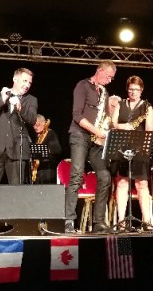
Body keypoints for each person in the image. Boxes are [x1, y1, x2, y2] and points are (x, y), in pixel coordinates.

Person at [0, 68, 38, 233]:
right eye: (24, 81)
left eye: (29, 82)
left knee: (16, 189)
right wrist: (3, 99)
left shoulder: (31, 100)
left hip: (18, 148)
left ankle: (16, 225)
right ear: (15, 79)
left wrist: (20, 107)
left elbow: (32, 119)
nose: (27, 85)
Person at [64, 60, 116, 234]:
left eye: (112, 78)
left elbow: (106, 118)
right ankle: (68, 221)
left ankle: (98, 222)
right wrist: (97, 131)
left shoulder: (104, 93)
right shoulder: (83, 86)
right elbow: (77, 115)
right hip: (80, 135)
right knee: (77, 175)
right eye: (108, 76)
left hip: (96, 140)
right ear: (100, 71)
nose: (110, 80)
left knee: (105, 177)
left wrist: (108, 130)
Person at [110, 75, 153, 231]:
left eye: (136, 90)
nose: (133, 92)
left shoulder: (147, 106)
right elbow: (113, 123)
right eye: (130, 89)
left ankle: (146, 222)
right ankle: (121, 221)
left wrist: (143, 146)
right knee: (122, 183)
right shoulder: (120, 104)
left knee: (142, 184)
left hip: (139, 148)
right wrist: (124, 126)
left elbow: (149, 129)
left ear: (141, 90)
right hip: (121, 147)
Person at [32, 114, 62, 185]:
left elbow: (57, 150)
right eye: (34, 125)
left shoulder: (50, 133)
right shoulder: (37, 136)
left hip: (47, 169)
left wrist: (44, 150)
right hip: (39, 169)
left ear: (44, 123)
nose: (35, 127)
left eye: (37, 125)